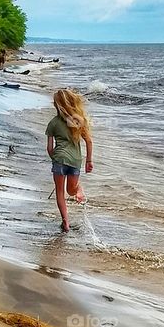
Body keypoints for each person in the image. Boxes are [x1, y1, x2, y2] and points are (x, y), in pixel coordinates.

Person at [46, 89, 94, 231]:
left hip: (59, 159)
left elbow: (49, 148)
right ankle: (78, 190)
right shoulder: (77, 121)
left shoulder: (53, 123)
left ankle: (66, 222)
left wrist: (55, 160)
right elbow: (89, 141)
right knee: (71, 190)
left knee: (60, 192)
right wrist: (89, 161)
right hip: (75, 160)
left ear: (56, 105)